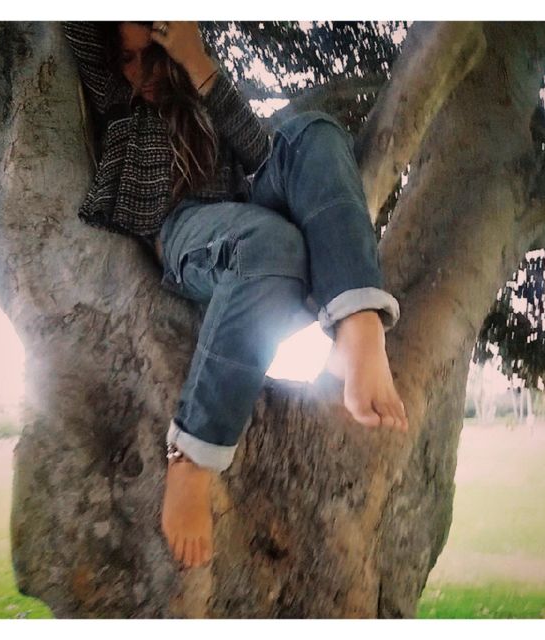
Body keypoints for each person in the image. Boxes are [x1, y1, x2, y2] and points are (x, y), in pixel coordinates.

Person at [62, 20, 408, 570]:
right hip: (183, 228)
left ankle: (358, 322)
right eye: (129, 56)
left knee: (314, 131)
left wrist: (195, 59)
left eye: (151, 56)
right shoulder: (112, 91)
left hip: (247, 204)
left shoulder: (190, 78)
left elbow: (258, 152)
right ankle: (192, 455)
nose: (141, 72)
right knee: (270, 244)